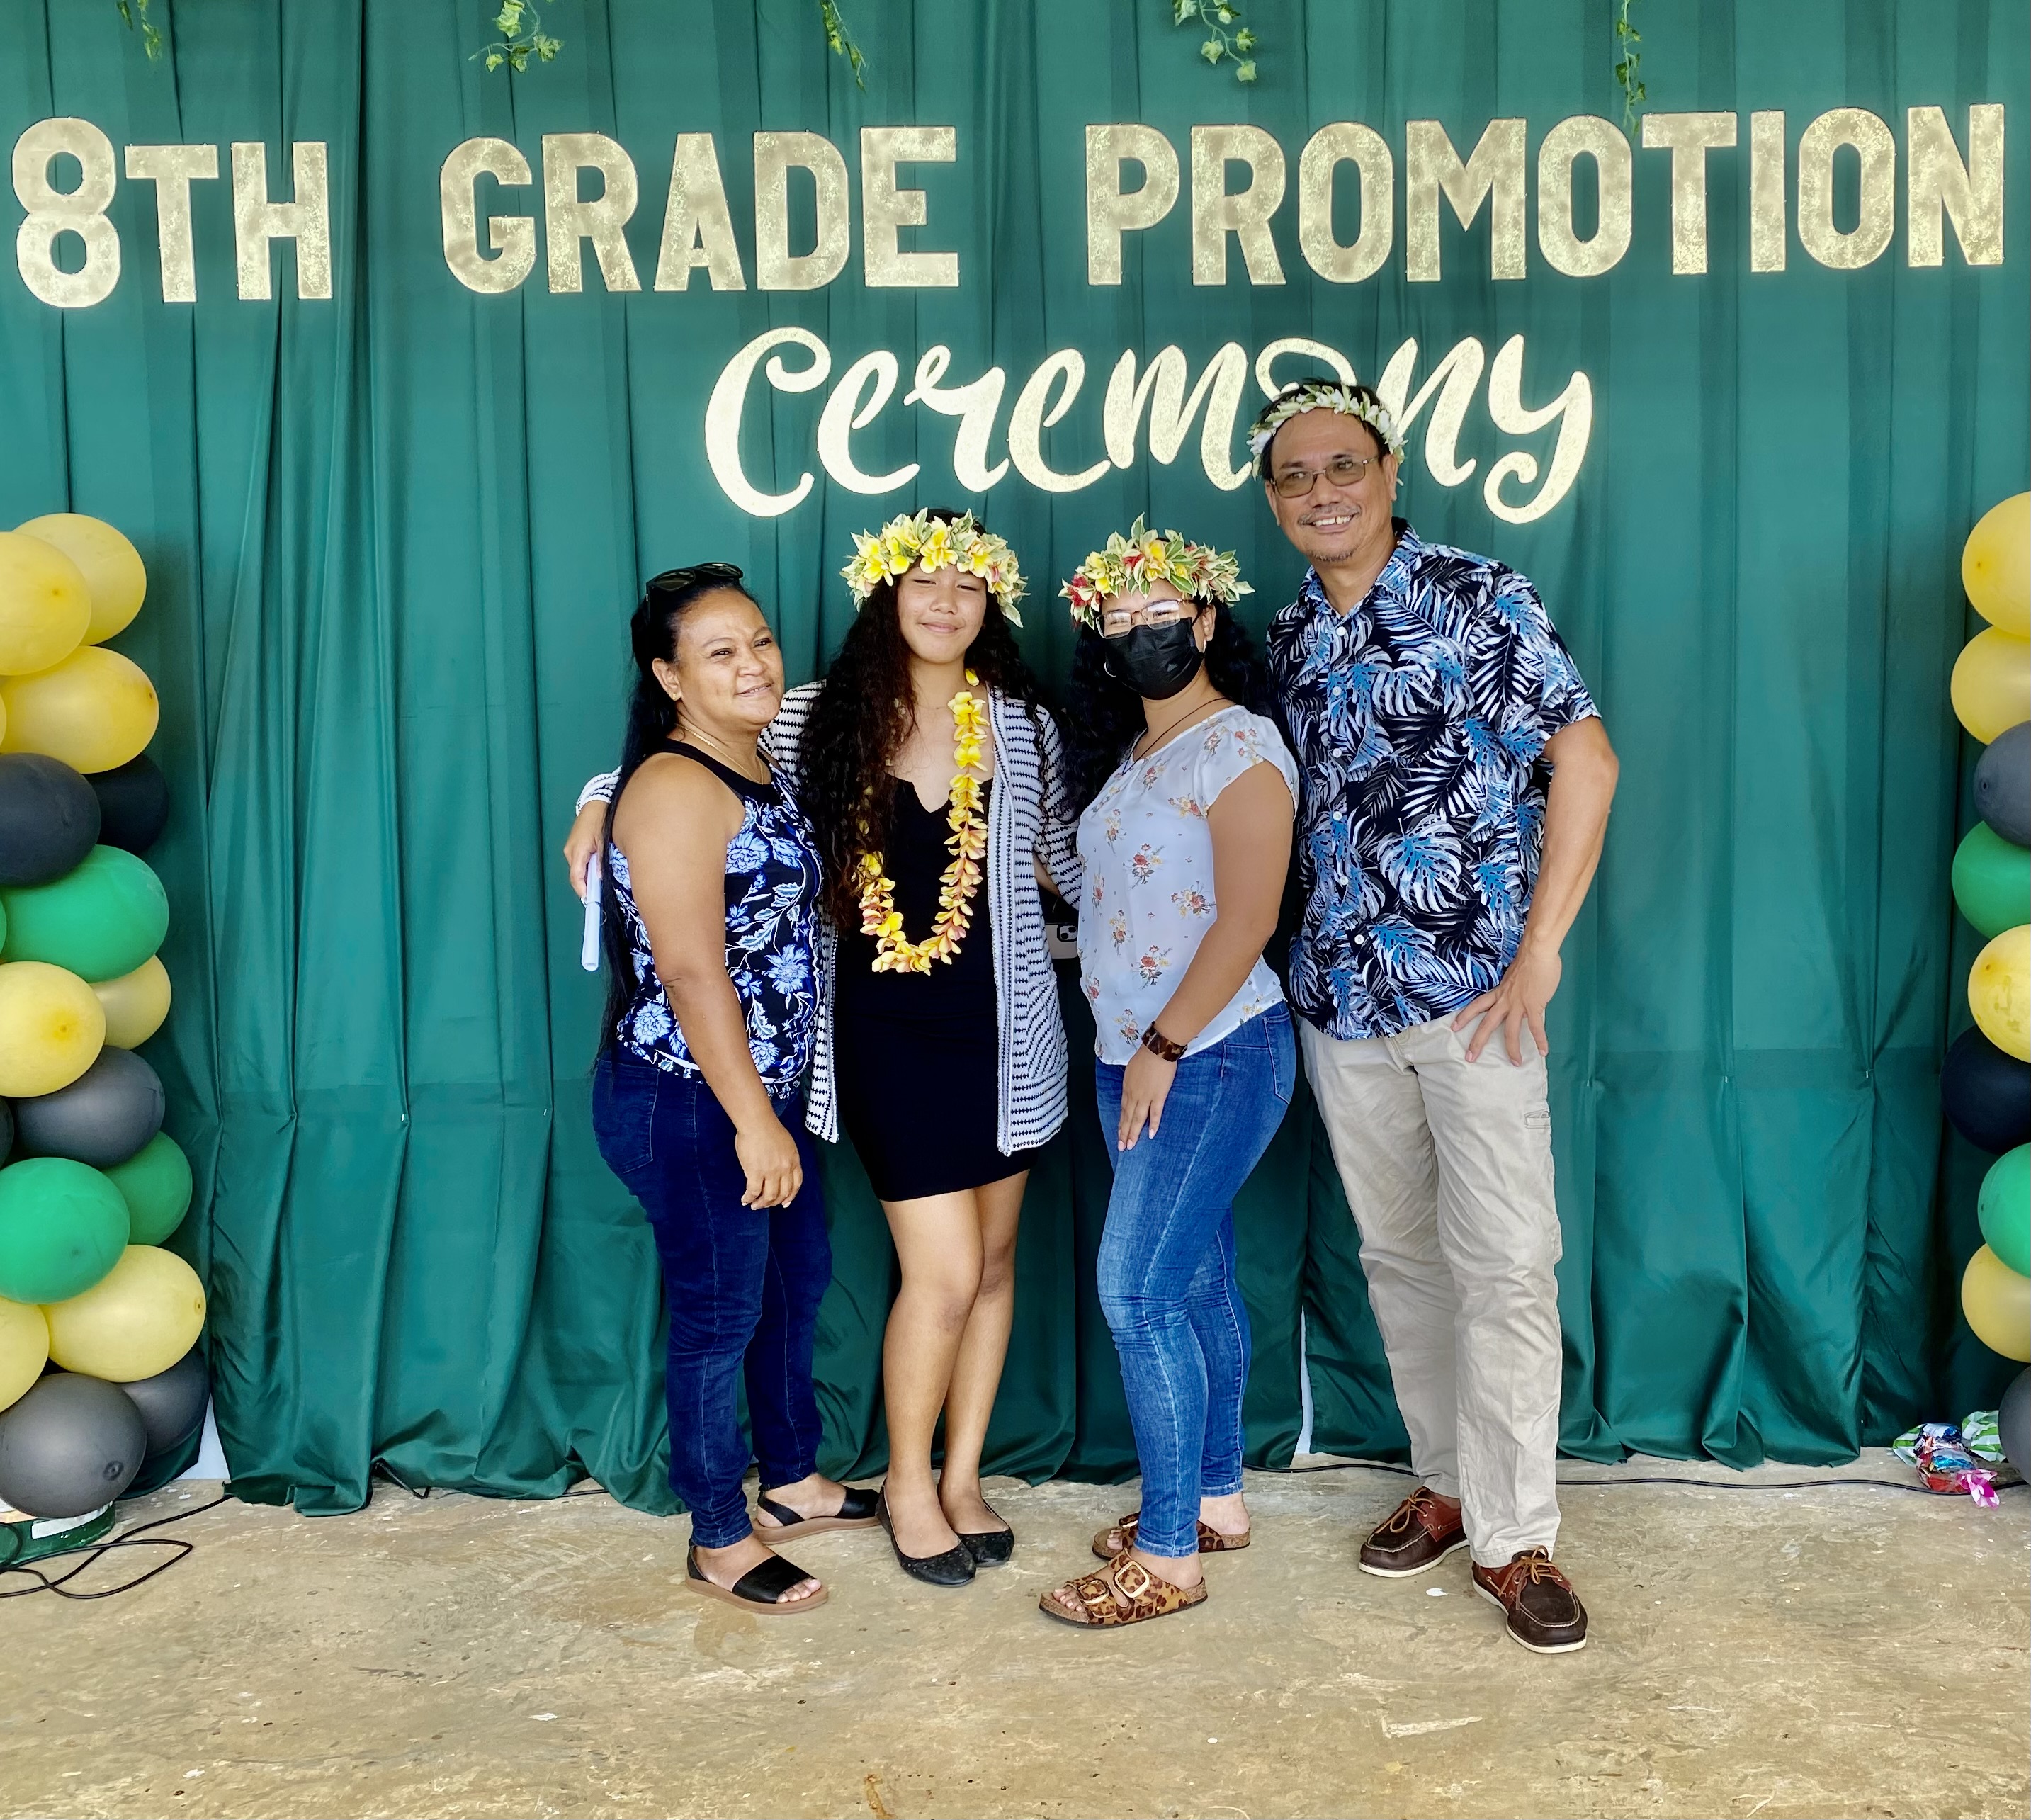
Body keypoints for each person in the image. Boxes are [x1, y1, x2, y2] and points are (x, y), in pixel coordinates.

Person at [567, 511, 1081, 1588]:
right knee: (935, 1273)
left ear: (993, 605)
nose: (945, 603)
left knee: (990, 1268)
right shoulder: (815, 716)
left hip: (1006, 1035)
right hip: (883, 1040)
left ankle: (963, 1473)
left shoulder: (1023, 726)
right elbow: (686, 762)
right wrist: (596, 797)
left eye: (969, 587)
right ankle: (903, 1482)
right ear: (885, 592)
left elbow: (1067, 861)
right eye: (923, 582)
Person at [1250, 377, 1620, 1654]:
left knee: (1508, 1261)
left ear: (1388, 468)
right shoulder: (1284, 640)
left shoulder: (1476, 594)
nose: (1321, 491)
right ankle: (1452, 1481)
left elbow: (1587, 753)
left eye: (1340, 464)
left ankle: (1521, 1538)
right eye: (1293, 476)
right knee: (1401, 1261)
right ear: (1274, 499)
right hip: (1342, 1004)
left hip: (1477, 999)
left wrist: (1542, 950)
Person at [589, 563, 872, 1615]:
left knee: (795, 1284)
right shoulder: (674, 785)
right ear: (669, 677)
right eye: (720, 652)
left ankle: (791, 1479)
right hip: (690, 1099)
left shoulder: (754, 758)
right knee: (718, 1317)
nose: (753, 663)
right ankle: (716, 1528)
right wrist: (756, 1121)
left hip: (763, 1089)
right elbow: (693, 970)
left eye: (759, 640)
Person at [1036, 522, 1297, 1630]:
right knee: (1192, 1283)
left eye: (1165, 614)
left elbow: (1247, 918)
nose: (1146, 633)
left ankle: (1169, 1551)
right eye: (1122, 617)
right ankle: (1219, 1499)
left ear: (1203, 621)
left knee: (1136, 1293)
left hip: (1213, 1051)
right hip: (1131, 1054)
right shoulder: (1134, 757)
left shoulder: (1239, 747)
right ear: (1101, 634)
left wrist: (1165, 1044)